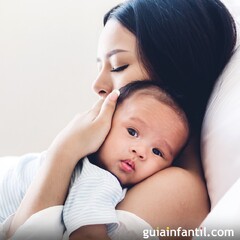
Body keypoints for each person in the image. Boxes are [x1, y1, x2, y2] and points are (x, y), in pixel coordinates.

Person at [3, 0, 237, 239]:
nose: (97, 86)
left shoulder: (177, 189)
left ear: (175, 72)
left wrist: (64, 151)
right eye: (100, 66)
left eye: (118, 66)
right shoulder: (117, 160)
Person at [1, 80, 189, 239]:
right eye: (132, 132)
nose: (140, 151)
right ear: (104, 121)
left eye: (157, 151)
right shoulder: (99, 178)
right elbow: (86, 235)